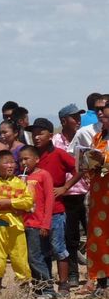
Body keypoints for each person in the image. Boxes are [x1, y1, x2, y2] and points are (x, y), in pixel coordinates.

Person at [29, 117, 78, 296]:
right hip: (36, 213)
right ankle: (45, 285)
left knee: (58, 247)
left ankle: (64, 284)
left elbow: (79, 167)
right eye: (33, 133)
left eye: (40, 133)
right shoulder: (32, 156)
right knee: (41, 251)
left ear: (50, 135)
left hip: (56, 210)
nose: (36, 137)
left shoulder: (58, 153)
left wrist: (65, 187)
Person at [0, 150, 33, 292]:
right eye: (6, 162)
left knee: (20, 257)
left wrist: (8, 202)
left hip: (17, 226)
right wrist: (13, 204)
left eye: (12, 162)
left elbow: (28, 202)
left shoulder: (20, 183)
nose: (10, 165)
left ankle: (24, 287)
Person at [53, 103, 88, 286]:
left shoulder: (83, 137)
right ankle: (73, 274)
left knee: (94, 234)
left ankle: (97, 275)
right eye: (75, 117)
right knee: (70, 237)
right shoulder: (54, 142)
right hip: (65, 195)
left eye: (79, 116)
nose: (78, 120)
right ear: (64, 121)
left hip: (85, 193)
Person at [78, 102, 109, 298]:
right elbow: (88, 164)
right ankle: (102, 281)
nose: (101, 118)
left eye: (105, 116)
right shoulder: (98, 137)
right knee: (99, 237)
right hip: (99, 195)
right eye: (101, 116)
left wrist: (104, 160)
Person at [20, 145, 57, 299]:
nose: (23, 162)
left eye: (26, 158)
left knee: (36, 257)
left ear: (36, 159)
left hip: (38, 223)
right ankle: (38, 289)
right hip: (25, 223)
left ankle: (48, 289)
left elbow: (50, 199)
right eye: (21, 159)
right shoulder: (22, 177)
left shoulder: (43, 175)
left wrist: (45, 223)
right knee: (36, 256)